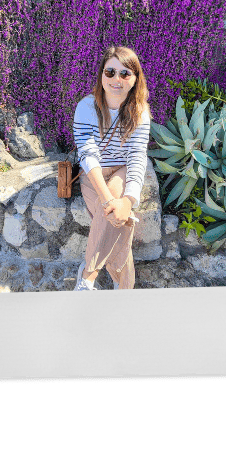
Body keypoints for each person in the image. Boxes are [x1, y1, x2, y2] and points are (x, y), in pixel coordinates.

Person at [72, 46, 151, 291]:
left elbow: (137, 156)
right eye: (110, 72)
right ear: (102, 76)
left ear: (135, 79)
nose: (117, 79)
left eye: (125, 74)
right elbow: (87, 154)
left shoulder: (139, 112)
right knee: (116, 216)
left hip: (122, 169)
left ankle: (87, 276)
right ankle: (124, 287)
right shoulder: (86, 107)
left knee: (119, 208)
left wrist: (129, 200)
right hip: (93, 172)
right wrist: (109, 201)